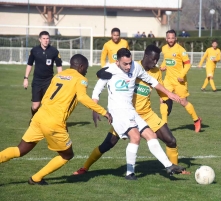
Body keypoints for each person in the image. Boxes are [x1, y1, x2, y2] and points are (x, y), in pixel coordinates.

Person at [73, 45, 190, 178]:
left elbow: (151, 80)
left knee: (151, 135)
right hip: (117, 111)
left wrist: (169, 94)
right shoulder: (110, 69)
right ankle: (128, 173)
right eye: (125, 64)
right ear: (117, 62)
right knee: (124, 140)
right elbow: (97, 89)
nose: (129, 67)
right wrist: (95, 108)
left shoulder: (136, 67)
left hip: (131, 111)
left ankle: (169, 166)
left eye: (130, 63)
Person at [0, 54, 112, 185]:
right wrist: (103, 111)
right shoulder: (81, 79)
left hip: (40, 116)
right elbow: (82, 97)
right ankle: (36, 178)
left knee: (19, 150)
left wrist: (37, 116)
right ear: (80, 66)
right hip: (53, 122)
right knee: (67, 155)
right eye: (86, 68)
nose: (86, 71)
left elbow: (46, 97)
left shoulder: (58, 76)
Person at [160, 29, 201, 132]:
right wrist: (163, 66)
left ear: (176, 38)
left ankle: (196, 120)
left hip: (179, 81)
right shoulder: (164, 48)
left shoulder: (180, 50)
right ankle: (164, 125)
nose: (170, 40)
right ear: (166, 38)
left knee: (183, 102)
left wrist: (182, 75)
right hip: (168, 80)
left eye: (172, 38)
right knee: (162, 100)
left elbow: (187, 63)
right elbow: (166, 59)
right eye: (168, 38)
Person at [23, 31, 62, 120]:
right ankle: (33, 118)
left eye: (47, 38)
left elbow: (59, 66)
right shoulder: (34, 51)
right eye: (44, 38)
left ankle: (45, 123)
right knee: (35, 106)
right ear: (40, 40)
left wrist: (60, 80)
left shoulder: (54, 51)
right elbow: (29, 64)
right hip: (37, 81)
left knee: (47, 104)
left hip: (49, 82)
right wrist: (26, 78)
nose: (46, 40)